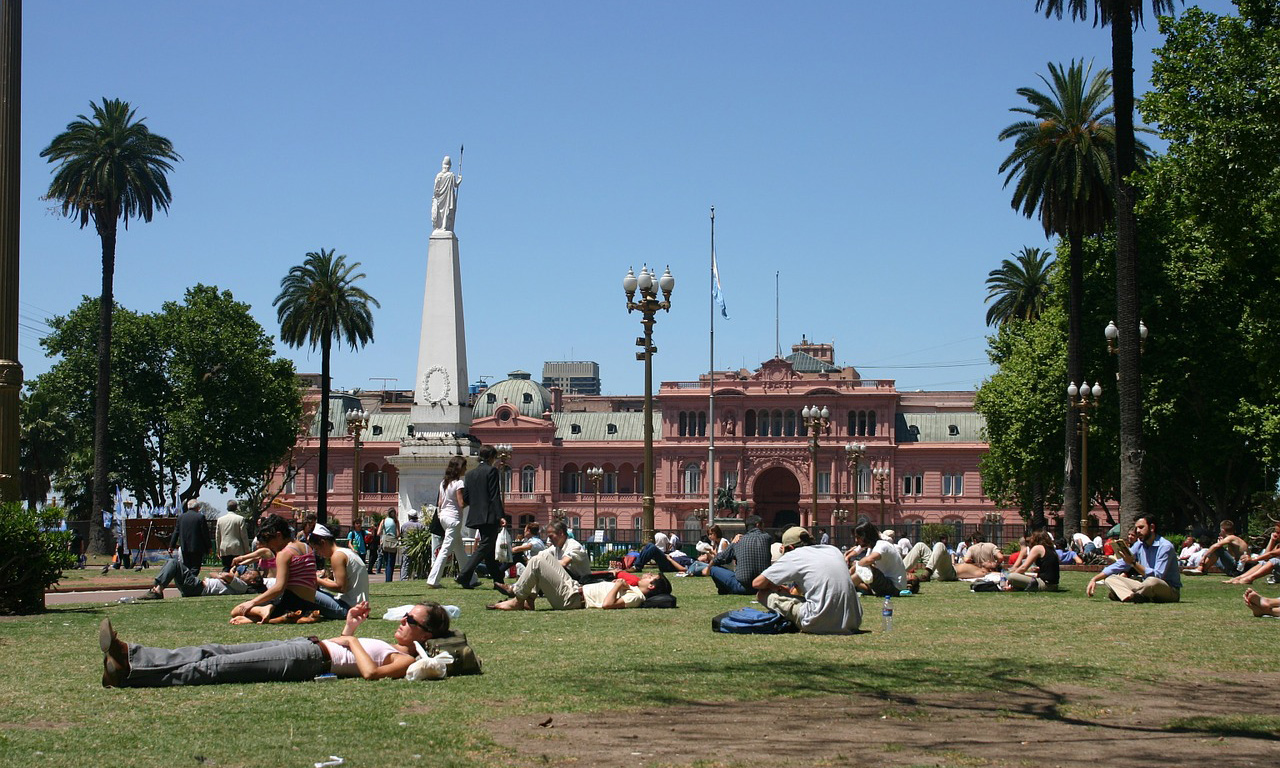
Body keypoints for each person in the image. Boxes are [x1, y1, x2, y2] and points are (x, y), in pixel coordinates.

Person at [98, 600, 450, 687]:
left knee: (217, 668)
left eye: (411, 621)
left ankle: (131, 670)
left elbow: (371, 674)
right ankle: (131, 657)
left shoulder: (407, 660)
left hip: (307, 659)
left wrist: (350, 639)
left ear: (426, 635)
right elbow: (349, 647)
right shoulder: (395, 642)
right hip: (305, 643)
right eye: (405, 616)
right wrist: (351, 627)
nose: (402, 622)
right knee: (214, 651)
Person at [752, 527, 860, 635]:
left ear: (790, 547)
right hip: (852, 621)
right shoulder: (833, 550)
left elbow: (757, 583)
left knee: (762, 594)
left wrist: (775, 588)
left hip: (817, 621)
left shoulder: (794, 555)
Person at [229, 515, 324, 623]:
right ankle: (258, 617)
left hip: (292, 602)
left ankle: (263, 610)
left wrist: (253, 602)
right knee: (263, 612)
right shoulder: (307, 547)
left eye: (269, 541)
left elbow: (279, 587)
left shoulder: (284, 553)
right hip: (309, 604)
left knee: (236, 610)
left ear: (278, 535)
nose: (269, 546)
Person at [487, 556, 670, 610]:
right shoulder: (634, 589)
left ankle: (517, 598)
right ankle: (529, 599)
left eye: (650, 577)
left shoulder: (636, 597)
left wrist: (616, 586)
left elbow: (607, 605)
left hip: (572, 599)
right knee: (544, 557)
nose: (647, 574)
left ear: (652, 586)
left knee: (536, 562)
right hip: (575, 589)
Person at [1088, 514, 1181, 603]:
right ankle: (1133, 597)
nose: (1137, 531)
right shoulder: (1139, 544)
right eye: (1136, 528)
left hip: (1167, 589)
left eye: (1141, 527)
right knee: (1110, 579)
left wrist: (1133, 563)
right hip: (1145, 585)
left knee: (1152, 581)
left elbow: (1158, 575)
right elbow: (1121, 564)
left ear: (1152, 527)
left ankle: (1130, 594)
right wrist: (1095, 579)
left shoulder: (1165, 546)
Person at [457, 445, 505, 589]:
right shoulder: (492, 471)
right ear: (491, 457)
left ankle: (498, 581)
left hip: (476, 514)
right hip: (489, 515)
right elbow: (494, 495)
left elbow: (467, 497)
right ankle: (464, 574)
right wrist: (500, 515)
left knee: (489, 551)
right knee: (485, 546)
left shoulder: (470, 474)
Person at [310, 524, 369, 620]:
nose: (318, 554)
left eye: (317, 549)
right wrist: (325, 579)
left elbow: (341, 587)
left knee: (307, 592)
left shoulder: (337, 556)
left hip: (348, 608)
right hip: (358, 606)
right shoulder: (347, 552)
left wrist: (315, 580)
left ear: (323, 542)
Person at [427, 455, 469, 589]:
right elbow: (461, 503)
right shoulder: (458, 483)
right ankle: (433, 579)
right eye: (464, 466)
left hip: (443, 517)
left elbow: (439, 502)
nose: (466, 469)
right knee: (445, 550)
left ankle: (470, 578)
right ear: (459, 468)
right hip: (454, 518)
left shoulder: (443, 483)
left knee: (460, 550)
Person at [138, 558, 264, 599]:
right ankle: (156, 589)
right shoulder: (239, 585)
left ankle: (157, 590)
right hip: (197, 586)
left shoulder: (243, 586)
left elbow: (225, 575)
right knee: (170, 564)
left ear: (252, 581)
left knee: (174, 563)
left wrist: (225, 574)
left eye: (249, 574)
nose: (246, 572)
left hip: (198, 587)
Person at [708, 515, 773, 595]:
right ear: (758, 525)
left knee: (714, 569)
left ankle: (724, 591)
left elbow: (720, 558)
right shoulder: (767, 538)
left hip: (742, 587)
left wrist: (709, 568)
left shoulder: (738, 541)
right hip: (762, 585)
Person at [849, 521, 914, 596]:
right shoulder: (874, 548)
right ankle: (848, 585)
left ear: (865, 536)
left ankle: (844, 587)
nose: (856, 541)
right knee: (865, 570)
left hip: (894, 587)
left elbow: (868, 560)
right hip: (890, 585)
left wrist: (852, 570)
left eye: (858, 537)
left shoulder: (881, 545)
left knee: (866, 569)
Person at [1184, 519, 1249, 576]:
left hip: (1238, 569)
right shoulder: (1235, 540)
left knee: (1217, 548)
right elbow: (1232, 555)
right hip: (1236, 568)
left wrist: (1204, 557)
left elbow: (1216, 546)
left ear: (1223, 530)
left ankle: (1200, 569)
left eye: (1220, 531)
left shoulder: (1231, 537)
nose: (1219, 533)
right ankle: (1202, 570)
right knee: (1215, 554)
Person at [169, 499, 212, 572]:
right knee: (195, 567)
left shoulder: (181, 517)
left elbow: (176, 532)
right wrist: (209, 546)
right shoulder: (200, 517)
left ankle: (187, 581)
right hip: (197, 547)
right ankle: (190, 581)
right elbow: (205, 534)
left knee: (186, 566)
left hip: (184, 547)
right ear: (198, 507)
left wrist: (171, 546)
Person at [216, 501, 251, 571]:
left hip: (224, 547)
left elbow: (218, 536)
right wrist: (247, 549)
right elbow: (244, 535)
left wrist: (218, 550)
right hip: (237, 548)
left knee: (226, 567)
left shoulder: (220, 520)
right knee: (238, 568)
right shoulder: (240, 519)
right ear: (236, 508)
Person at [431, 155, 462, 232]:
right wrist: (460, 180)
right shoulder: (451, 175)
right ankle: (444, 227)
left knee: (440, 213)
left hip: (440, 199)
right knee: (446, 212)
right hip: (447, 199)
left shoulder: (439, 176)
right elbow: (455, 185)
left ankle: (440, 227)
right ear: (450, 165)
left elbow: (435, 189)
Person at [399, 509, 424, 581]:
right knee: (417, 562)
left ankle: (404, 578)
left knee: (405, 563)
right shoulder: (420, 525)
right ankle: (416, 576)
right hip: (417, 547)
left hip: (407, 547)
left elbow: (402, 536)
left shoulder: (404, 525)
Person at [380, 508, 399, 583]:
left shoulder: (383, 521)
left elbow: (378, 532)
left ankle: (387, 578)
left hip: (385, 542)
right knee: (391, 562)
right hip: (393, 542)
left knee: (386, 561)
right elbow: (398, 534)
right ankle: (389, 579)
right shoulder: (396, 521)